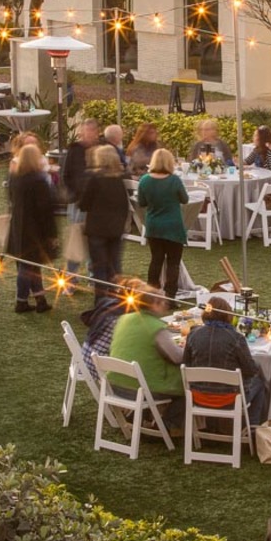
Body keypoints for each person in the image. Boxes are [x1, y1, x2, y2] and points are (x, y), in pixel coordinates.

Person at [180, 295, 269, 426]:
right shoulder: (235, 338)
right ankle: (253, 428)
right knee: (260, 382)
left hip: (197, 396)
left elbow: (186, 363)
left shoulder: (193, 334)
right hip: (229, 398)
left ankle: (215, 426)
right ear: (228, 315)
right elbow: (250, 370)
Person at [107, 283, 184, 426]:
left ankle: (140, 415)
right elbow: (177, 357)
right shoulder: (156, 328)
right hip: (141, 389)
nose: (166, 305)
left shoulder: (123, 319)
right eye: (163, 302)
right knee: (187, 387)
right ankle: (166, 425)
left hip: (115, 385)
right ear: (154, 304)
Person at [5, 142, 59, 313]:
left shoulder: (14, 178)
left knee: (30, 265)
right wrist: (52, 234)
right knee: (28, 266)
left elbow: (11, 199)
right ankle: (21, 300)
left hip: (18, 226)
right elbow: (45, 210)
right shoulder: (38, 181)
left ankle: (40, 298)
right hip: (35, 230)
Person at [77, 145, 130, 300]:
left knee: (99, 267)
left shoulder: (94, 179)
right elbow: (124, 205)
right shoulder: (119, 179)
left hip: (97, 229)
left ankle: (101, 302)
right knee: (115, 267)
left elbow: (83, 204)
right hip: (115, 229)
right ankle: (116, 300)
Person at [137, 148, 190, 293]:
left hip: (154, 225)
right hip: (173, 226)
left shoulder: (145, 180)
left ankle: (151, 293)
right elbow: (185, 199)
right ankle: (170, 296)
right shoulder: (174, 180)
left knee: (156, 260)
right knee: (173, 263)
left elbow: (141, 202)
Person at [60, 118, 102, 205]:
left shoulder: (102, 149)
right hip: (77, 197)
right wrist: (74, 192)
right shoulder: (74, 149)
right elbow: (66, 174)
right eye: (87, 130)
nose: (90, 133)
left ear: (97, 132)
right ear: (82, 132)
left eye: (92, 130)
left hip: (98, 198)